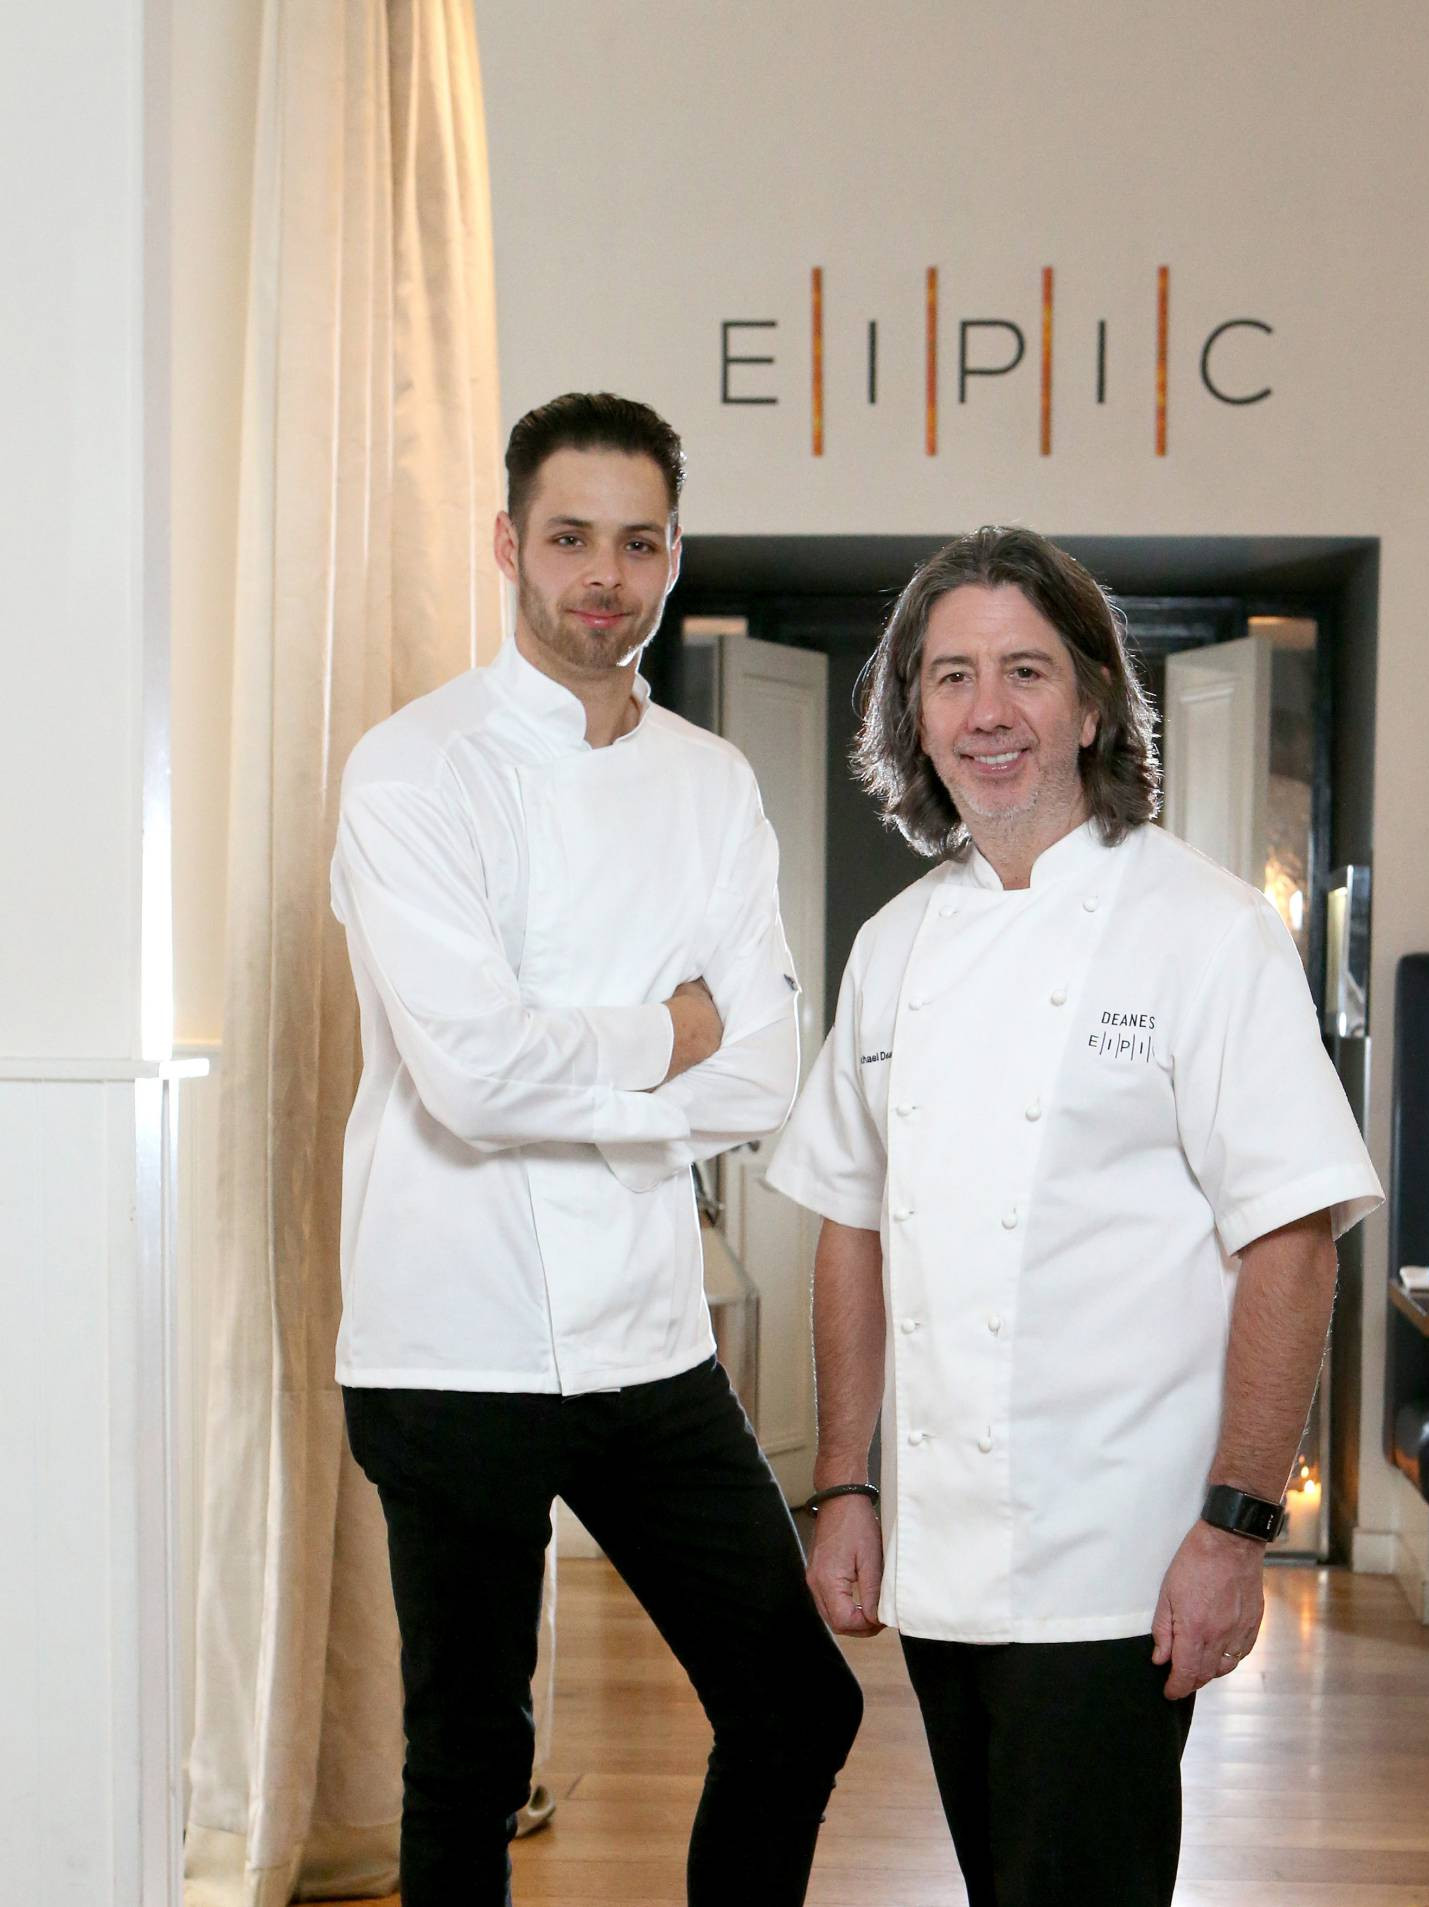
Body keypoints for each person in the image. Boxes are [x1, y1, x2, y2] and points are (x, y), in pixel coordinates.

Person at [766, 526, 1383, 1907]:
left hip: (1122, 1559)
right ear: (916, 716)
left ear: (1094, 703)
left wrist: (1237, 1527)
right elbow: (852, 1223)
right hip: (942, 1559)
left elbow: (1291, 1245)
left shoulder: (1208, 931)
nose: (987, 711)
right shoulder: (893, 946)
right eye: (952, 677)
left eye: (1027, 672)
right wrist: (846, 1485)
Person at [331, 392, 862, 1907]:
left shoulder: (711, 783)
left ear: (675, 556)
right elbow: (471, 1078)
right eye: (571, 539)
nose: (604, 577)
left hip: (647, 1336)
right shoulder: (411, 771)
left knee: (796, 1701)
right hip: (451, 1337)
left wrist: (599, 1054)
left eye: (639, 543)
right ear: (510, 545)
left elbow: (764, 1071)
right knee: (468, 1764)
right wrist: (670, 1029)